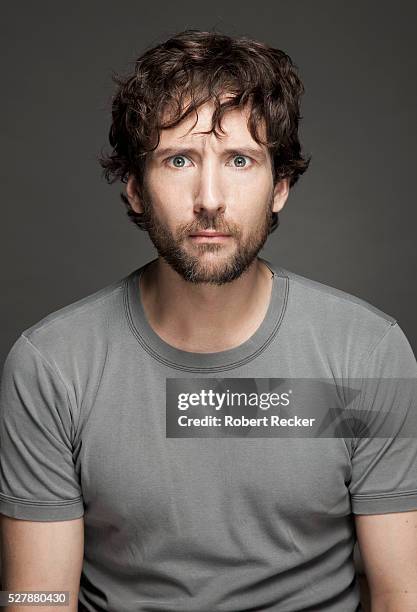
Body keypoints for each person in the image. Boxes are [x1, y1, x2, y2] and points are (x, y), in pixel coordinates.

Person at [0, 29, 416, 612]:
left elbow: (402, 594)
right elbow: (36, 599)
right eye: (178, 159)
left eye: (240, 160)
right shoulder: (51, 366)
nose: (210, 198)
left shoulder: (367, 355)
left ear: (280, 187)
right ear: (136, 188)